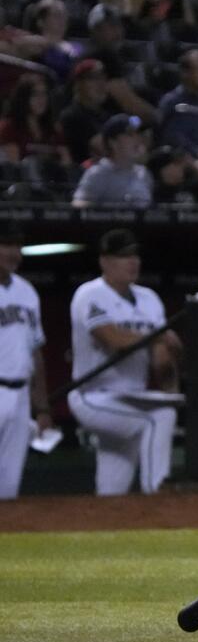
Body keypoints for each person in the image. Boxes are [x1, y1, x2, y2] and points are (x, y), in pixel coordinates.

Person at [67, 229, 181, 496]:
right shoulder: (90, 294)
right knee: (159, 418)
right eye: (123, 256)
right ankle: (157, 492)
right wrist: (159, 335)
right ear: (105, 262)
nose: (133, 261)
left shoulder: (149, 298)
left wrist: (170, 387)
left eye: (134, 255)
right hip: (93, 395)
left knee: (112, 490)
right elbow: (112, 339)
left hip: (133, 398)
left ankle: (105, 525)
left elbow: (160, 354)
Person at [0, 223, 53, 500]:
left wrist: (42, 407)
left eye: (17, 246)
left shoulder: (27, 292)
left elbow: (35, 352)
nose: (14, 253)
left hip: (20, 396)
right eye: (6, 245)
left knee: (8, 489)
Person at [71, 114, 153, 207]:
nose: (137, 139)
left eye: (138, 134)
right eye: (130, 134)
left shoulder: (144, 174)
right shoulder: (98, 173)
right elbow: (78, 207)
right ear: (113, 142)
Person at [0, 74, 69, 167]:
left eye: (44, 94)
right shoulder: (9, 128)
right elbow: (13, 167)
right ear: (23, 97)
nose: (41, 99)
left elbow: (67, 165)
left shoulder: (54, 130)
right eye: (35, 94)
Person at [59, 59, 115, 164]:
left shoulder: (106, 116)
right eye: (94, 78)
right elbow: (104, 149)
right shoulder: (72, 116)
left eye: (103, 78)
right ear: (79, 84)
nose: (101, 84)